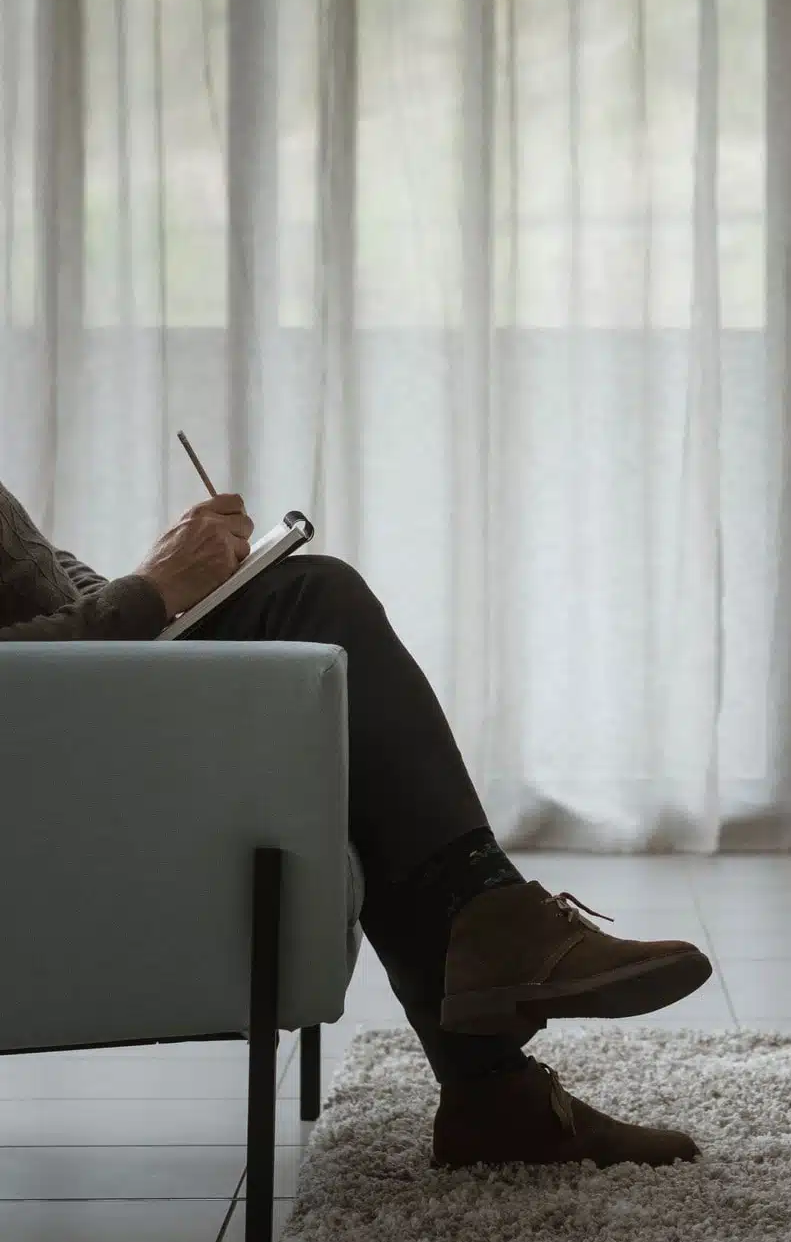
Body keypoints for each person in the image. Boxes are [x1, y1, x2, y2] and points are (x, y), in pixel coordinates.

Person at [0, 482, 713, 1170]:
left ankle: (495, 1068)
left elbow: (61, 597)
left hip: (80, 749)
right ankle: (495, 1017)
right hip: (58, 781)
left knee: (306, 598)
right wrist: (154, 588)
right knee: (315, 595)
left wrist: (186, 583)